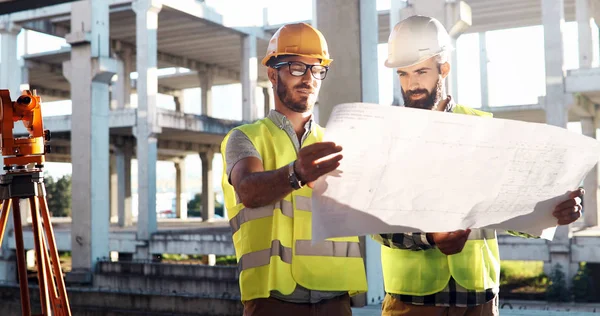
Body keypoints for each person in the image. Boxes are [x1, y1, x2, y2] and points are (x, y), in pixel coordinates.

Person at [374, 15, 584, 316]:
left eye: (421, 71)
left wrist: (555, 209)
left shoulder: (484, 128)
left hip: (479, 301)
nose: (412, 85)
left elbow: (510, 208)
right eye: (403, 74)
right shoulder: (386, 135)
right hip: (413, 302)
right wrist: (429, 238)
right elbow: (375, 222)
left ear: (444, 68)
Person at [220, 22, 367, 316]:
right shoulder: (246, 138)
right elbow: (248, 189)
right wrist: (296, 173)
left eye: (317, 69)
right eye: (297, 68)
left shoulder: (340, 142)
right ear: (272, 74)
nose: (309, 78)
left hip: (335, 299)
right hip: (273, 300)